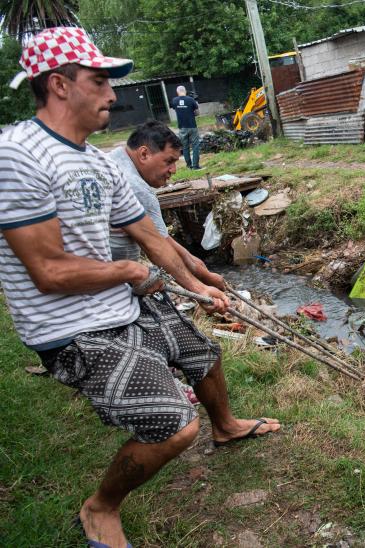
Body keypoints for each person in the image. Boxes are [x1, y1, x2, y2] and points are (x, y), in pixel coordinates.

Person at [0, 27, 279, 548]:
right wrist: (127, 274)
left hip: (120, 304)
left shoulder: (94, 160)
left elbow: (151, 238)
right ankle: (100, 508)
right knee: (175, 426)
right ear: (60, 85)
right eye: (101, 80)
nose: (112, 94)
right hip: (71, 327)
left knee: (202, 352)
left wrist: (202, 281)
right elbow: (47, 271)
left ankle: (227, 427)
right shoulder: (18, 155)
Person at [108, 120, 225, 290]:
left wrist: (201, 271)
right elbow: (159, 247)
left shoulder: (110, 159)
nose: (174, 170)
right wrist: (204, 282)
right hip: (106, 283)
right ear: (144, 154)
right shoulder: (136, 188)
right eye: (169, 161)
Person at [171, 85, 201, 170]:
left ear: (177, 92)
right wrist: (194, 103)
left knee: (185, 147)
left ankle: (189, 166)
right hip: (192, 126)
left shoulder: (174, 100)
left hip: (182, 127)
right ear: (185, 91)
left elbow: (175, 108)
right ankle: (195, 166)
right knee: (195, 146)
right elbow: (197, 113)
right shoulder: (191, 100)